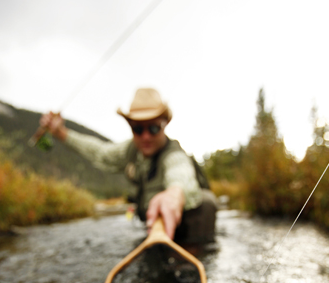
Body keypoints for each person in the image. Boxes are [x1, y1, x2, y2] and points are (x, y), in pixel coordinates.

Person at [40, 88, 217, 244]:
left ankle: (196, 249)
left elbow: (180, 172)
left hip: (186, 229)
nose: (146, 136)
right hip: (152, 227)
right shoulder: (130, 149)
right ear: (131, 127)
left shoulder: (173, 154)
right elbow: (99, 152)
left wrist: (174, 194)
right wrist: (60, 133)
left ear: (164, 124)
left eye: (153, 128)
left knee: (207, 202)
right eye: (138, 129)